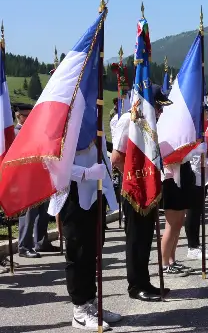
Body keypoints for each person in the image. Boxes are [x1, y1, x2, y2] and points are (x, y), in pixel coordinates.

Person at [50, 114, 122, 330]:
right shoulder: (60, 116)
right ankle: (80, 309)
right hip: (72, 193)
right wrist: (85, 173)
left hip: (94, 192)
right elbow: (52, 161)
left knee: (93, 250)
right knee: (78, 253)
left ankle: (91, 303)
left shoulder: (92, 113)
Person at [111, 85, 173, 302]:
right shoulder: (128, 120)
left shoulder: (149, 123)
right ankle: (135, 286)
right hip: (135, 188)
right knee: (136, 239)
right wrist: (136, 179)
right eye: (158, 107)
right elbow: (117, 159)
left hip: (148, 188)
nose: (161, 112)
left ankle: (145, 281)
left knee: (146, 238)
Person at [15, 103, 59, 258]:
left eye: (30, 115)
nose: (28, 118)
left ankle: (41, 242)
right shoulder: (15, 133)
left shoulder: (36, 132)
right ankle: (24, 246)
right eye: (25, 116)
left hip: (41, 176)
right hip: (26, 179)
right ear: (18, 116)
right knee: (28, 214)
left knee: (43, 212)